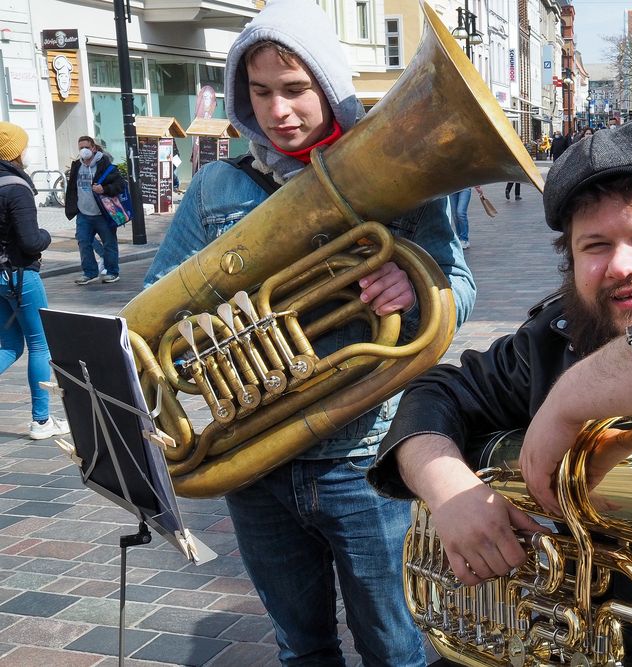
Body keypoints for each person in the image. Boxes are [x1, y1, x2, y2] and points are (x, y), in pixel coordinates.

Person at [142, 1, 475, 664]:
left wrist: (416, 287)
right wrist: (209, 324)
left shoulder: (396, 171)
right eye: (260, 93)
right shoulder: (216, 186)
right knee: (301, 645)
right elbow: (155, 305)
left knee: (396, 645)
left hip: (366, 458)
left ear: (327, 83)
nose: (278, 111)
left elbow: (459, 286)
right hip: (255, 460)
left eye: (295, 90)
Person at [367, 117, 632, 586]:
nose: (621, 266)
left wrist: (572, 395)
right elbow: (437, 393)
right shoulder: (554, 336)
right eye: (595, 246)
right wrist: (448, 488)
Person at [0, 122, 71, 440]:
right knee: (40, 344)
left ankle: (42, 419)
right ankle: (41, 421)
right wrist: (47, 237)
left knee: (10, 345)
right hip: (20, 275)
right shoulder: (16, 187)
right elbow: (30, 240)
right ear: (14, 151)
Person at [65, 135, 124, 284]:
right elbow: (72, 188)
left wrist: (103, 189)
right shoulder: (77, 166)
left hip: (102, 213)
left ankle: (112, 272)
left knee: (109, 243)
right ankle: (89, 272)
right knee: (83, 242)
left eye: (86, 147)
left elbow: (120, 186)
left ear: (94, 148)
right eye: (80, 148)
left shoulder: (105, 164)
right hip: (83, 213)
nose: (83, 150)